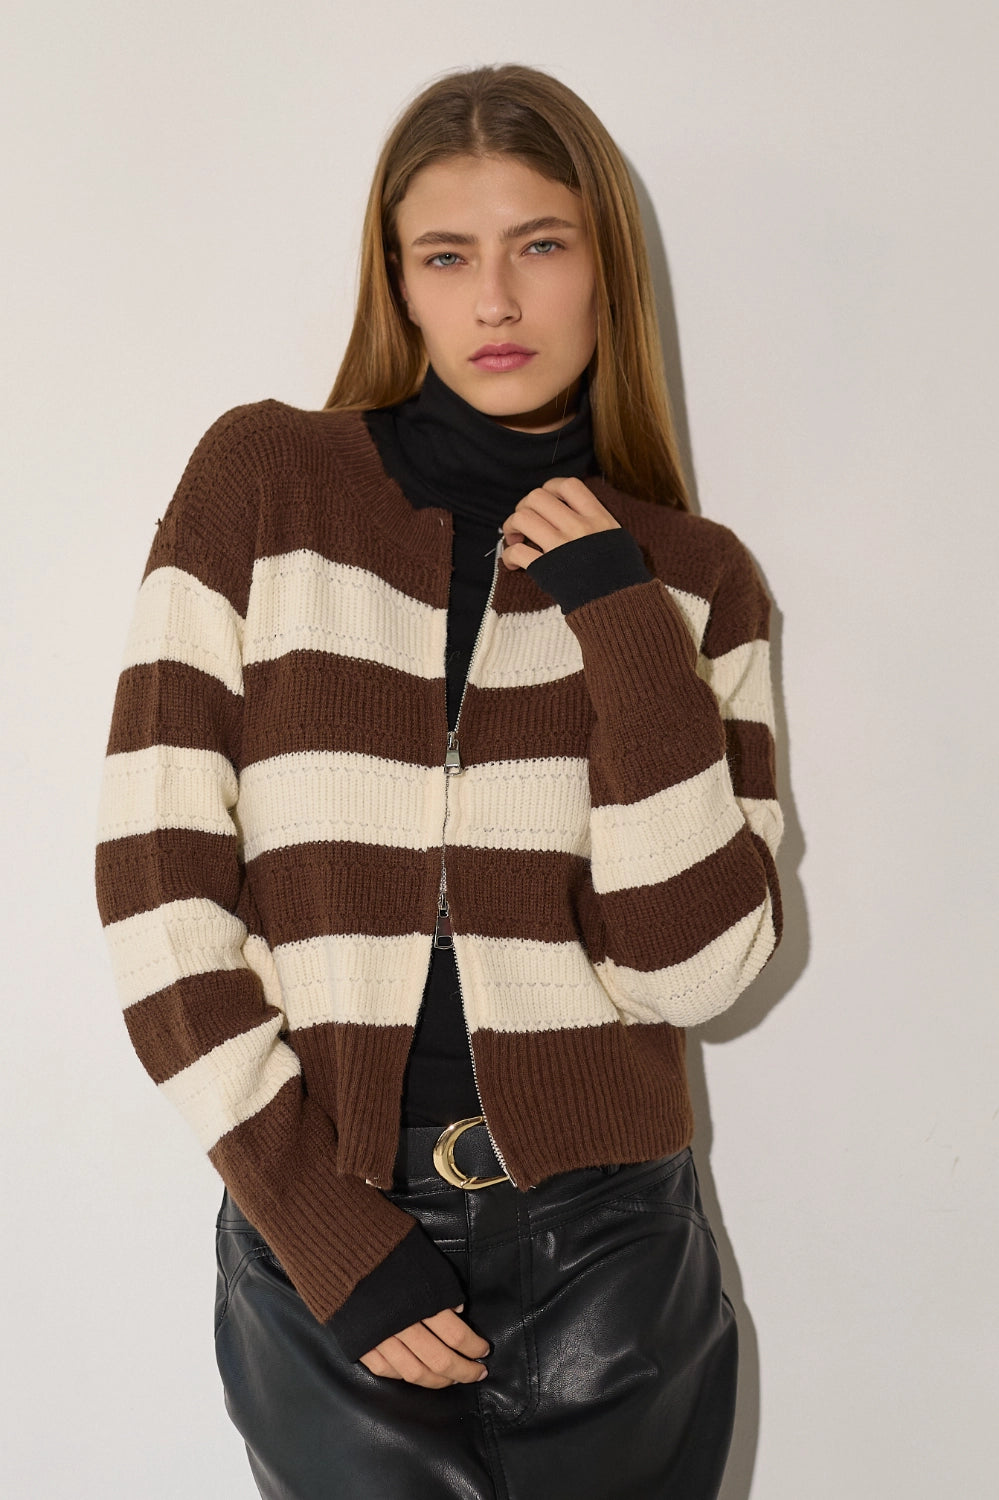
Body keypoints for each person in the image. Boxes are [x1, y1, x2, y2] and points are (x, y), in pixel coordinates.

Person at [94, 62, 783, 1500]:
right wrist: (314, 1221)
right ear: (398, 285)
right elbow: (157, 883)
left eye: (541, 244)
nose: (497, 301)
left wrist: (621, 616)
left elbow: (696, 971)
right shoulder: (263, 485)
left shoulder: (696, 578)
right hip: (330, 1232)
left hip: (615, 1255)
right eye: (448, 256)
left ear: (606, 268)